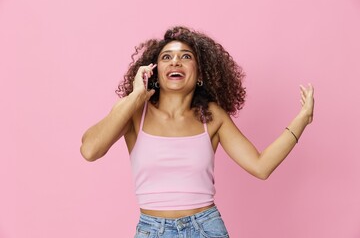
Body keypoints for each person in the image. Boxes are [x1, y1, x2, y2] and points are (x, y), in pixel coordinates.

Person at [80, 26, 314, 238]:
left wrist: (302, 119)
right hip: (152, 230)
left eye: (185, 56)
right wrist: (135, 96)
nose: (175, 62)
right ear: (155, 70)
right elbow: (90, 150)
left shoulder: (211, 117)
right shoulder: (134, 112)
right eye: (166, 57)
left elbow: (261, 166)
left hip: (206, 227)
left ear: (200, 74)